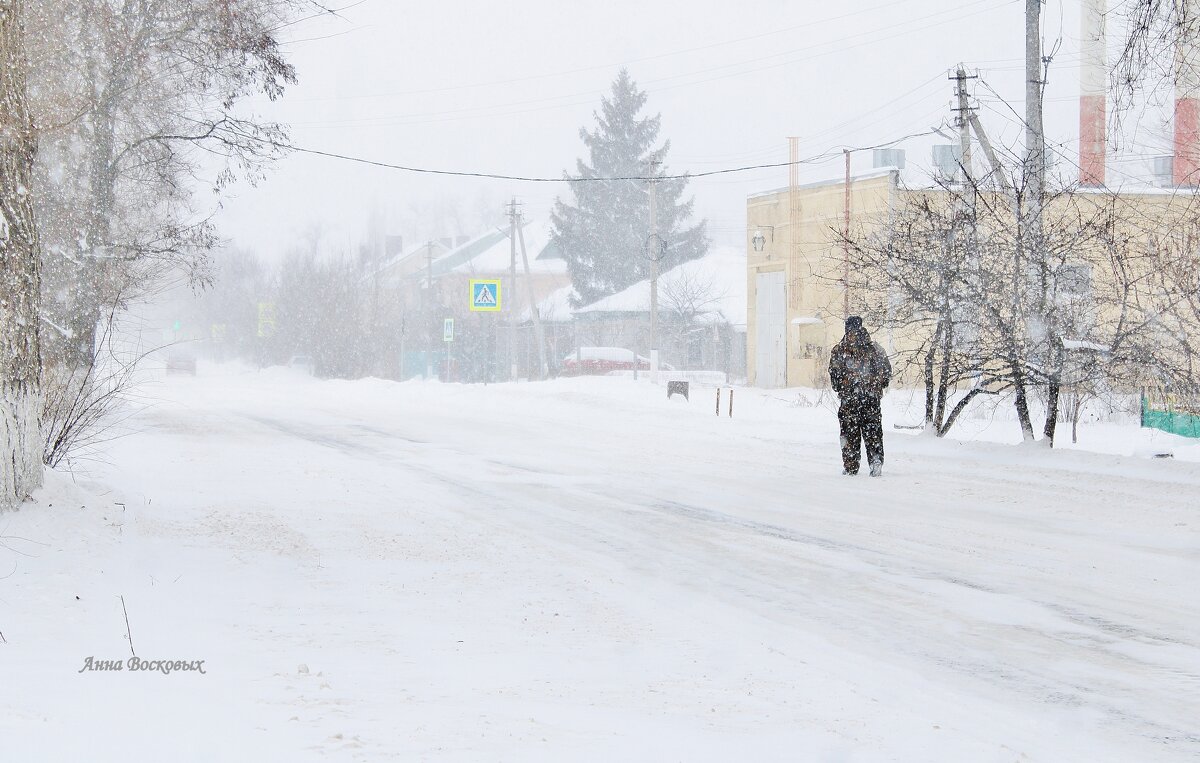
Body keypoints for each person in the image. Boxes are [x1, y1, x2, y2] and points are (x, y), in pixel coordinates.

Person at [828, 316, 892, 477]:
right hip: (871, 399)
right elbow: (886, 373)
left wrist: (846, 386)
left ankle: (850, 466)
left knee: (849, 434)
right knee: (873, 432)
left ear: (846, 329)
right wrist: (874, 386)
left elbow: (834, 380)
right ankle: (876, 461)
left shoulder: (839, 350)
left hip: (849, 400)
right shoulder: (876, 349)